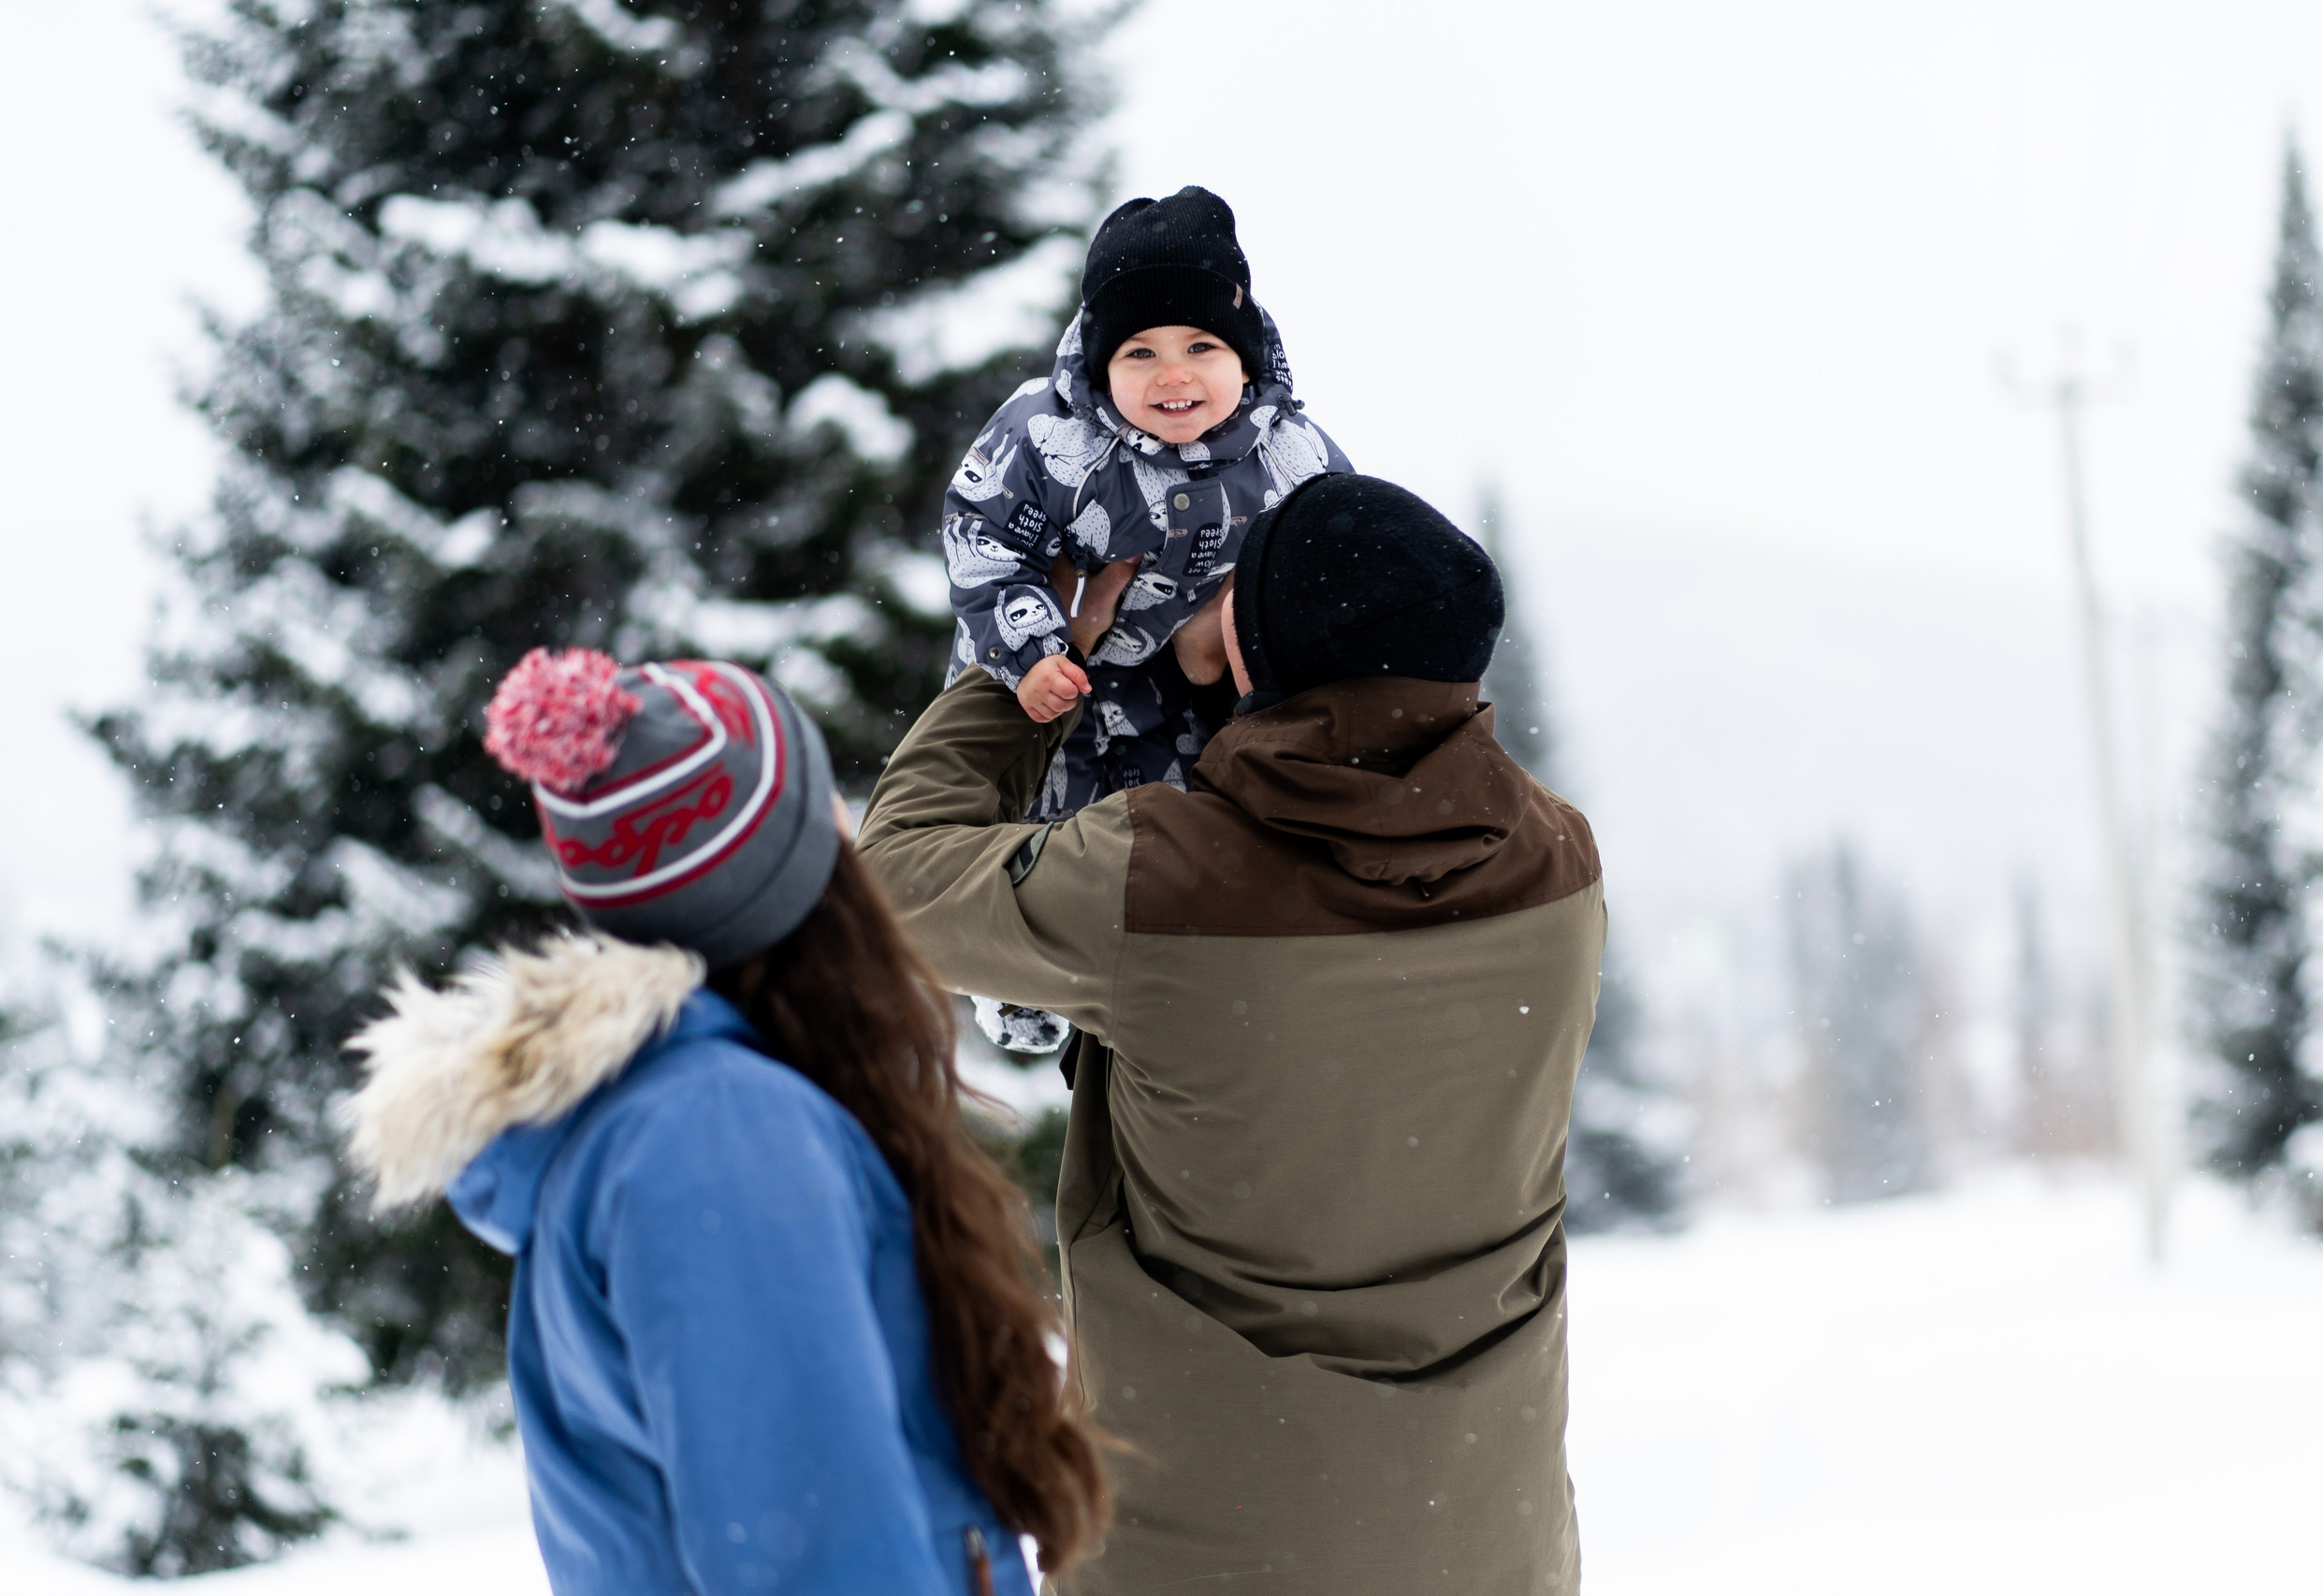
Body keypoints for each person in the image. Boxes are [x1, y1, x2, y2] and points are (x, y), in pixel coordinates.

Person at [861, 475, 1606, 1592]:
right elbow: (1368, 806)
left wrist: (1033, 671)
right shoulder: (1557, 870)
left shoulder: (1157, 879)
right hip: (1487, 1534)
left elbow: (891, 878)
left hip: (1199, 1544)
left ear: (1253, 653)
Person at [341, 648, 1108, 1596]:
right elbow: (815, 1560)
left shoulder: (694, 1116)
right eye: (823, 793)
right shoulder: (719, 1137)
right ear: (789, 869)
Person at [938, 185, 1351, 1051]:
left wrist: (1262, 657)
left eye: (1202, 345)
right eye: (1140, 351)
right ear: (1099, 361)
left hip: (1187, 687)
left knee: (1176, 832)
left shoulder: (1291, 455)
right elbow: (982, 538)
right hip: (1059, 675)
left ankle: (1182, 987)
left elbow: (1338, 559)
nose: (1173, 375)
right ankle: (1024, 990)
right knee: (1048, 822)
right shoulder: (1048, 439)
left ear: (1245, 356)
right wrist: (1036, 646)